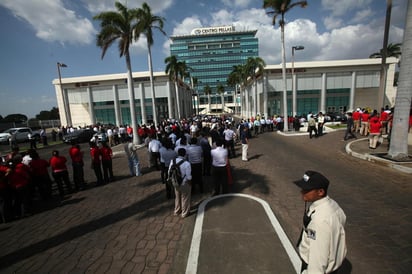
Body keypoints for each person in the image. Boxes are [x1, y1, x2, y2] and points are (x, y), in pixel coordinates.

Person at [294, 170, 346, 274]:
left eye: (307, 189)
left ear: (320, 192)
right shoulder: (333, 206)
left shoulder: (319, 221)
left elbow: (317, 259)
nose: (302, 191)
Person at [169, 148, 192, 218]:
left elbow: (169, 171)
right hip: (184, 183)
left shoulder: (172, 161)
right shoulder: (187, 163)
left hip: (175, 182)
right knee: (185, 198)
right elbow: (189, 177)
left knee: (177, 197)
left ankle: (177, 210)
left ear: (178, 154)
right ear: (185, 154)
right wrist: (190, 183)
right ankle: (184, 213)